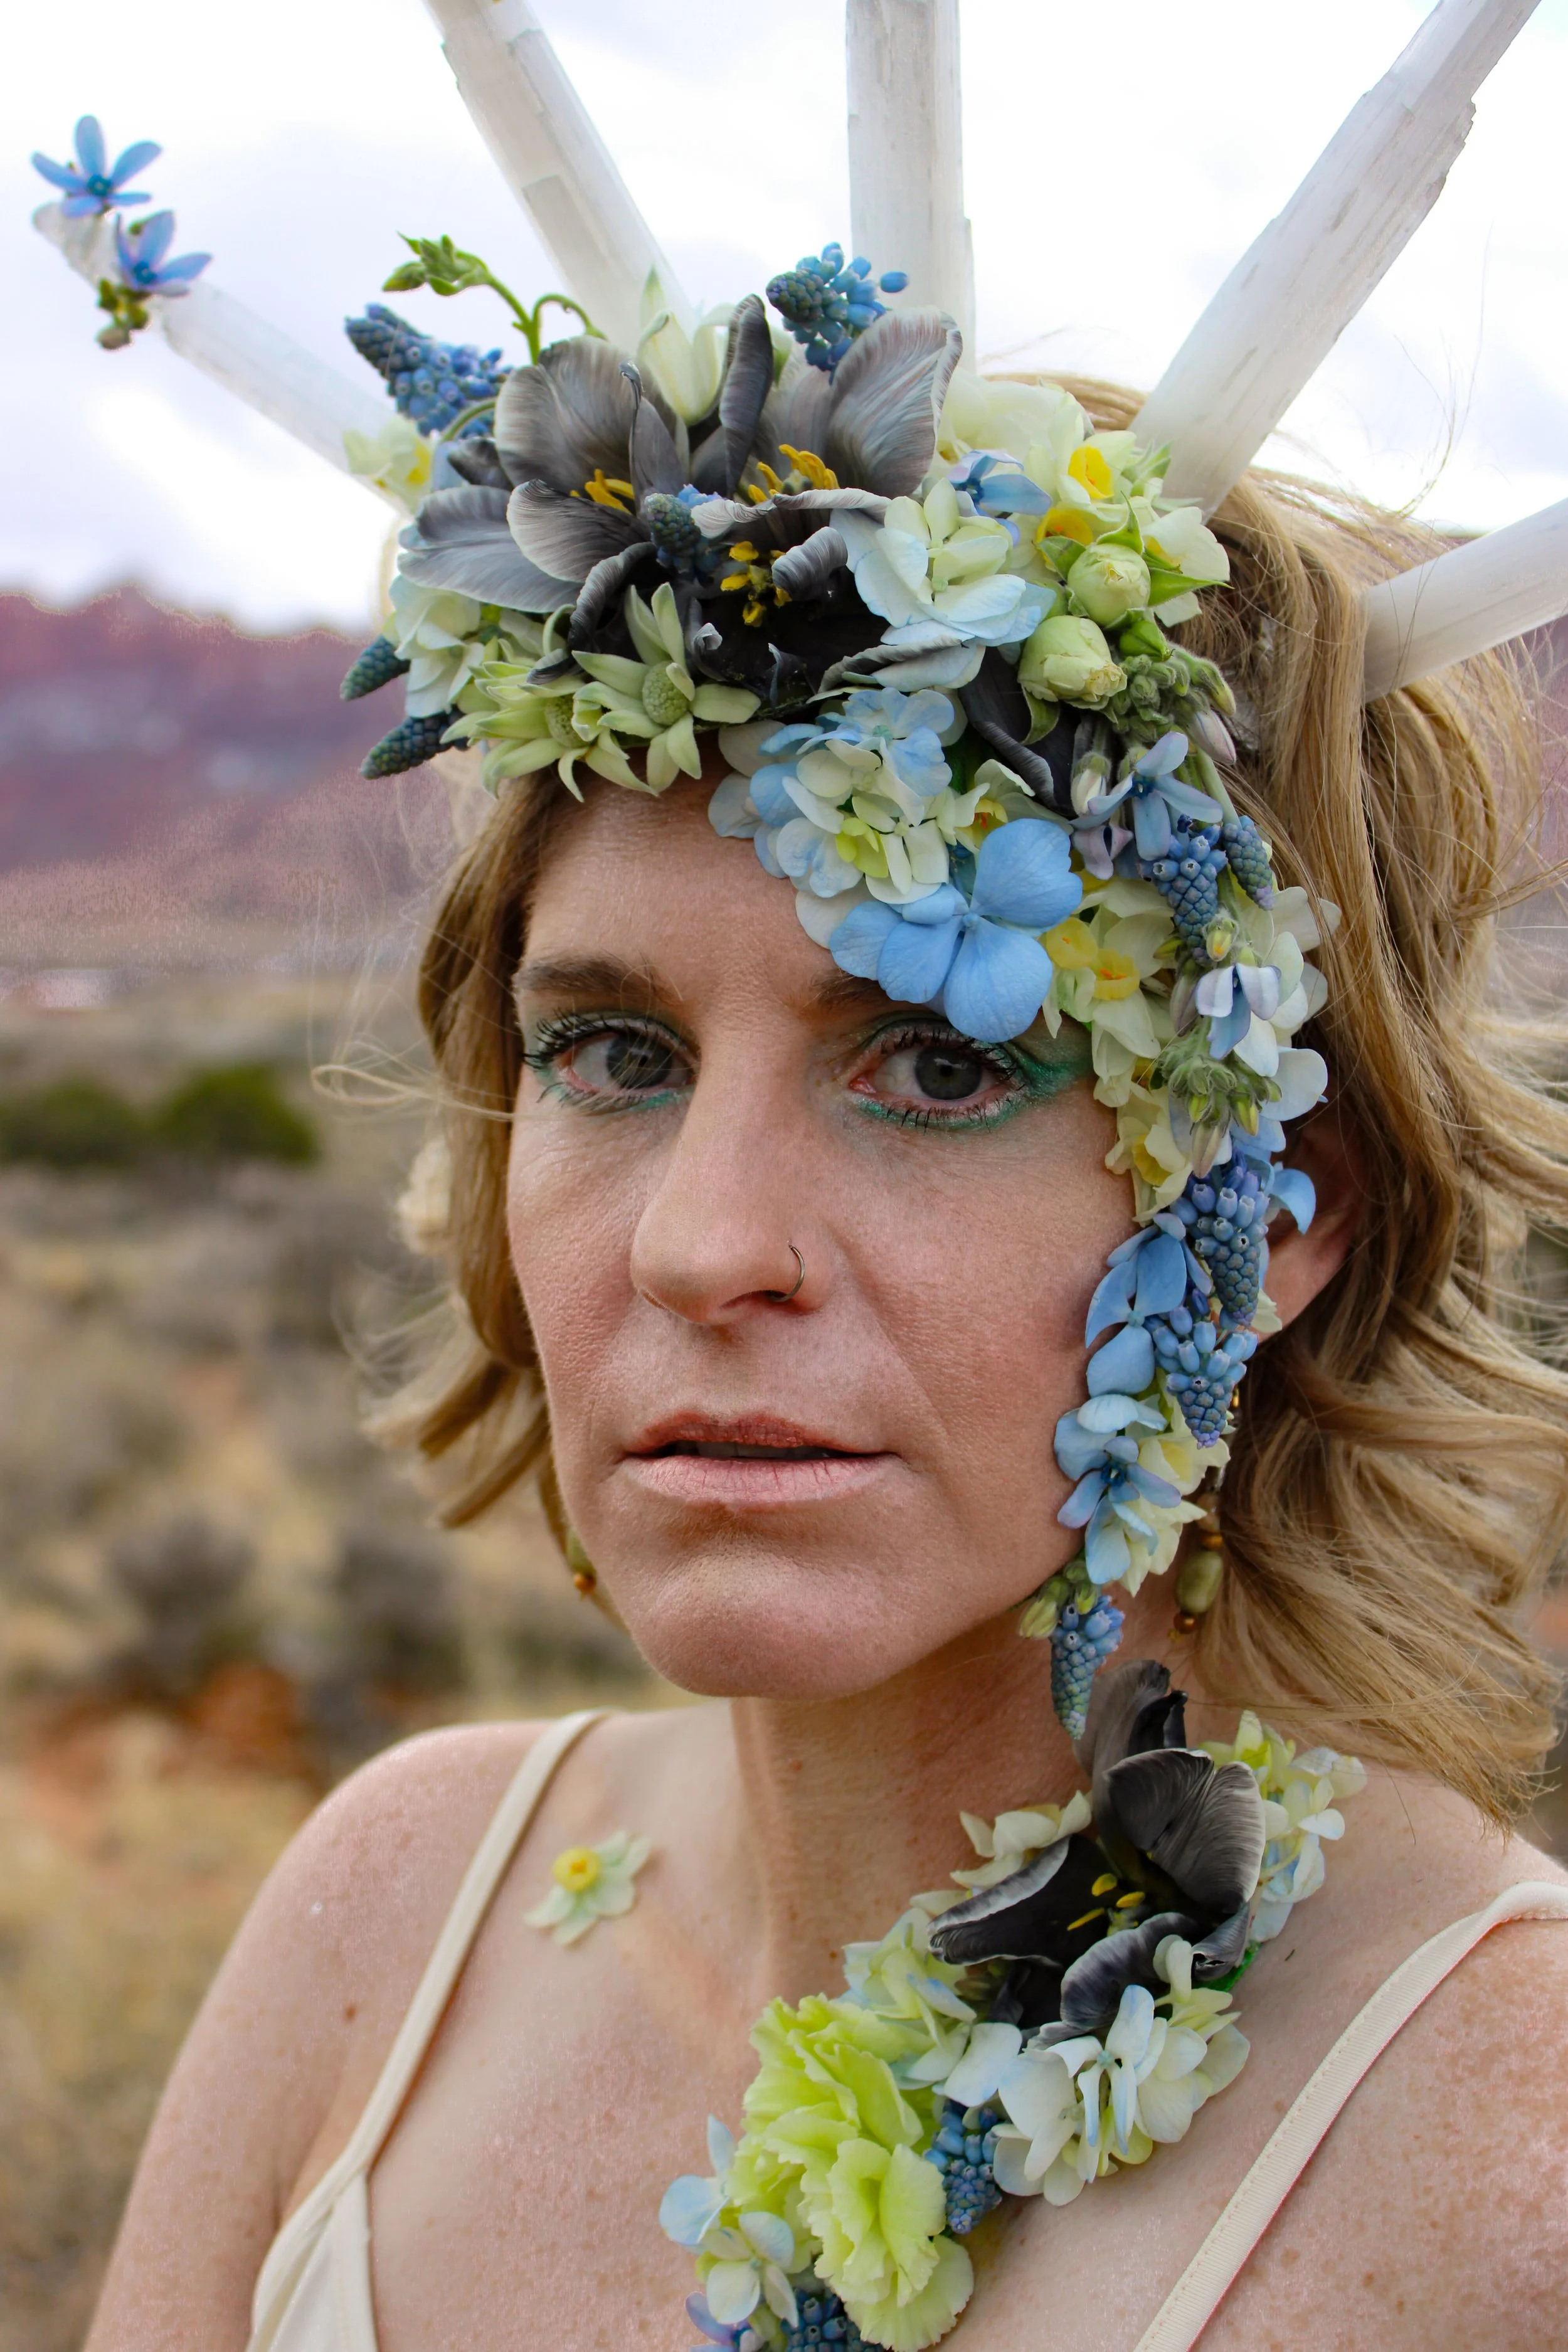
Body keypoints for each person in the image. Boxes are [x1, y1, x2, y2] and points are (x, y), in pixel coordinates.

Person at [80, 336, 1568, 2349]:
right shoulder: (389, 1912)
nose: (703, 1246)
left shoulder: (1497, 2146)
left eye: (940, 1064)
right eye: (613, 1054)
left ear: (1277, 1216)